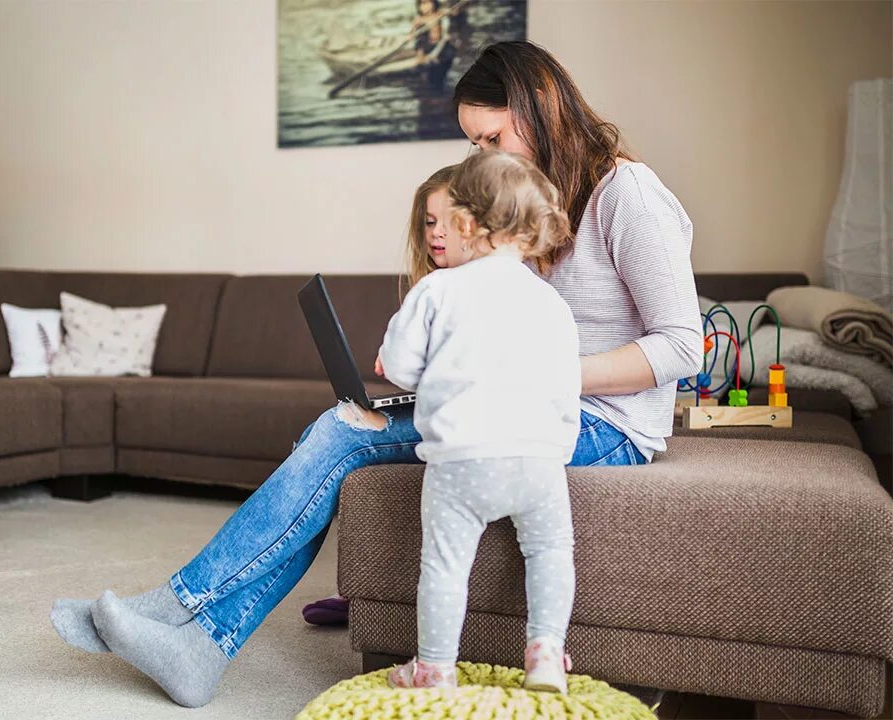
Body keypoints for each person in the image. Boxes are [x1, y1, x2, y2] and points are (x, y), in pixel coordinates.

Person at [51, 40, 702, 707]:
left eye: (493, 136)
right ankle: (196, 637)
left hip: (602, 423)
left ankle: (183, 613)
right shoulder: (530, 204)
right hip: (517, 402)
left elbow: (684, 348)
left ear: (541, 106)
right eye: (477, 144)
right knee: (341, 422)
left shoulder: (629, 194)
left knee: (346, 436)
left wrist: (542, 375)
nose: (488, 157)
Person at [381, 150, 580, 693]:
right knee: (551, 552)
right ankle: (544, 654)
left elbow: (400, 369)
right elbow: (569, 387)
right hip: (539, 461)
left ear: (465, 224)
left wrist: (410, 364)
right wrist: (555, 447)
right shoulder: (551, 303)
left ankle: (434, 668)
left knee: (445, 566)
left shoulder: (438, 289)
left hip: (462, 461)